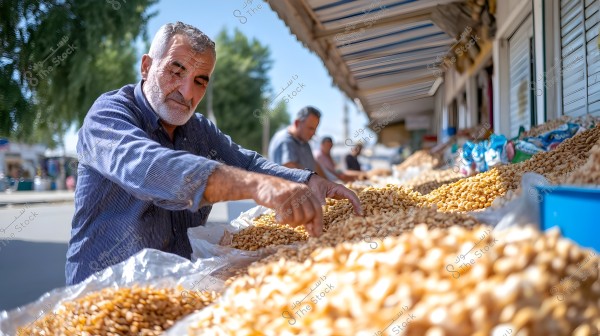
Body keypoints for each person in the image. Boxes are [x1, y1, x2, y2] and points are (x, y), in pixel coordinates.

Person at [66, 22, 362, 285]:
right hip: (101, 295)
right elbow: (150, 167)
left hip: (175, 290)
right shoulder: (108, 115)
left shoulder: (199, 129)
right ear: (146, 66)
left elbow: (247, 163)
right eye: (176, 70)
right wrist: (260, 187)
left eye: (199, 81)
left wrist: (310, 181)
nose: (186, 92)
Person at [268, 106, 327, 178]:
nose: (313, 133)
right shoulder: (284, 141)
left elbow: (315, 166)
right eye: (310, 128)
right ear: (297, 123)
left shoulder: (304, 142)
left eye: (315, 129)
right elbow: (293, 172)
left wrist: (330, 184)